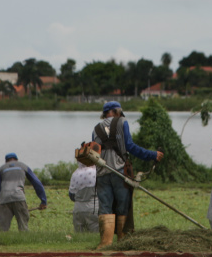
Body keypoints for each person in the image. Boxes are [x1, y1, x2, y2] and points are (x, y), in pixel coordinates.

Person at [91, 101, 164, 249]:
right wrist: (152, 155)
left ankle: (105, 244)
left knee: (105, 207)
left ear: (105, 113)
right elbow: (130, 146)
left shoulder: (96, 128)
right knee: (122, 207)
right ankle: (123, 243)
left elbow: (93, 152)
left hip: (102, 172)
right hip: (119, 172)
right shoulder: (122, 122)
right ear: (117, 112)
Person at [0, 152, 47, 231]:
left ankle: (1, 242)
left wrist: (0, 202)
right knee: (23, 226)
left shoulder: (1, 169)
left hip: (4, 199)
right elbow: (37, 183)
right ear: (16, 160)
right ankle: (24, 241)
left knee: (2, 229)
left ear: (6, 161)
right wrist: (43, 200)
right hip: (19, 198)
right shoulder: (23, 166)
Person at [68, 162, 99, 233]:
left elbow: (71, 196)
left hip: (78, 210)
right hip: (93, 209)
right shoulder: (96, 172)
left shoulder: (75, 173)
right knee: (95, 238)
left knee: (79, 239)